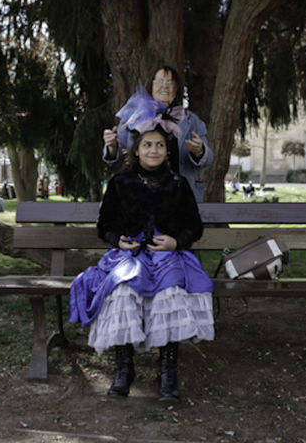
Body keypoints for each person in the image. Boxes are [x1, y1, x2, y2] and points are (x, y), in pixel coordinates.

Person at [70, 122, 214, 402]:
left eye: (160, 145)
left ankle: (167, 373)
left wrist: (176, 241)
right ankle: (125, 370)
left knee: (170, 292)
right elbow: (104, 226)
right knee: (123, 290)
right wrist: (118, 240)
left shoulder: (178, 183)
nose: (154, 150)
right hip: (130, 254)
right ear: (136, 150)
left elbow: (194, 227)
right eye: (147, 144)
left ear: (166, 152)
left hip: (166, 255)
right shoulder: (120, 183)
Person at [102, 65, 213, 202]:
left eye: (170, 82)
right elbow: (115, 162)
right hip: (139, 198)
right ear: (151, 85)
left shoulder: (192, 121)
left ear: (177, 88)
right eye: (160, 81)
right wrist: (112, 147)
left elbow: (208, 160)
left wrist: (199, 151)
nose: (165, 86)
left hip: (180, 199)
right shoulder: (132, 117)